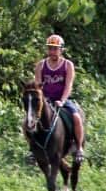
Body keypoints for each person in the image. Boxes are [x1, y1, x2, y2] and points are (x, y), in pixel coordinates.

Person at [34, 33, 85, 164]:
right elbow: (38, 86)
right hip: (46, 100)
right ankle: (33, 149)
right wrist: (42, 101)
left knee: (76, 117)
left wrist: (62, 101)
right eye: (50, 48)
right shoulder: (41, 65)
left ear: (61, 50)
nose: (52, 51)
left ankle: (78, 147)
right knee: (29, 120)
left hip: (62, 99)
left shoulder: (68, 65)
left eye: (55, 48)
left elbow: (68, 85)